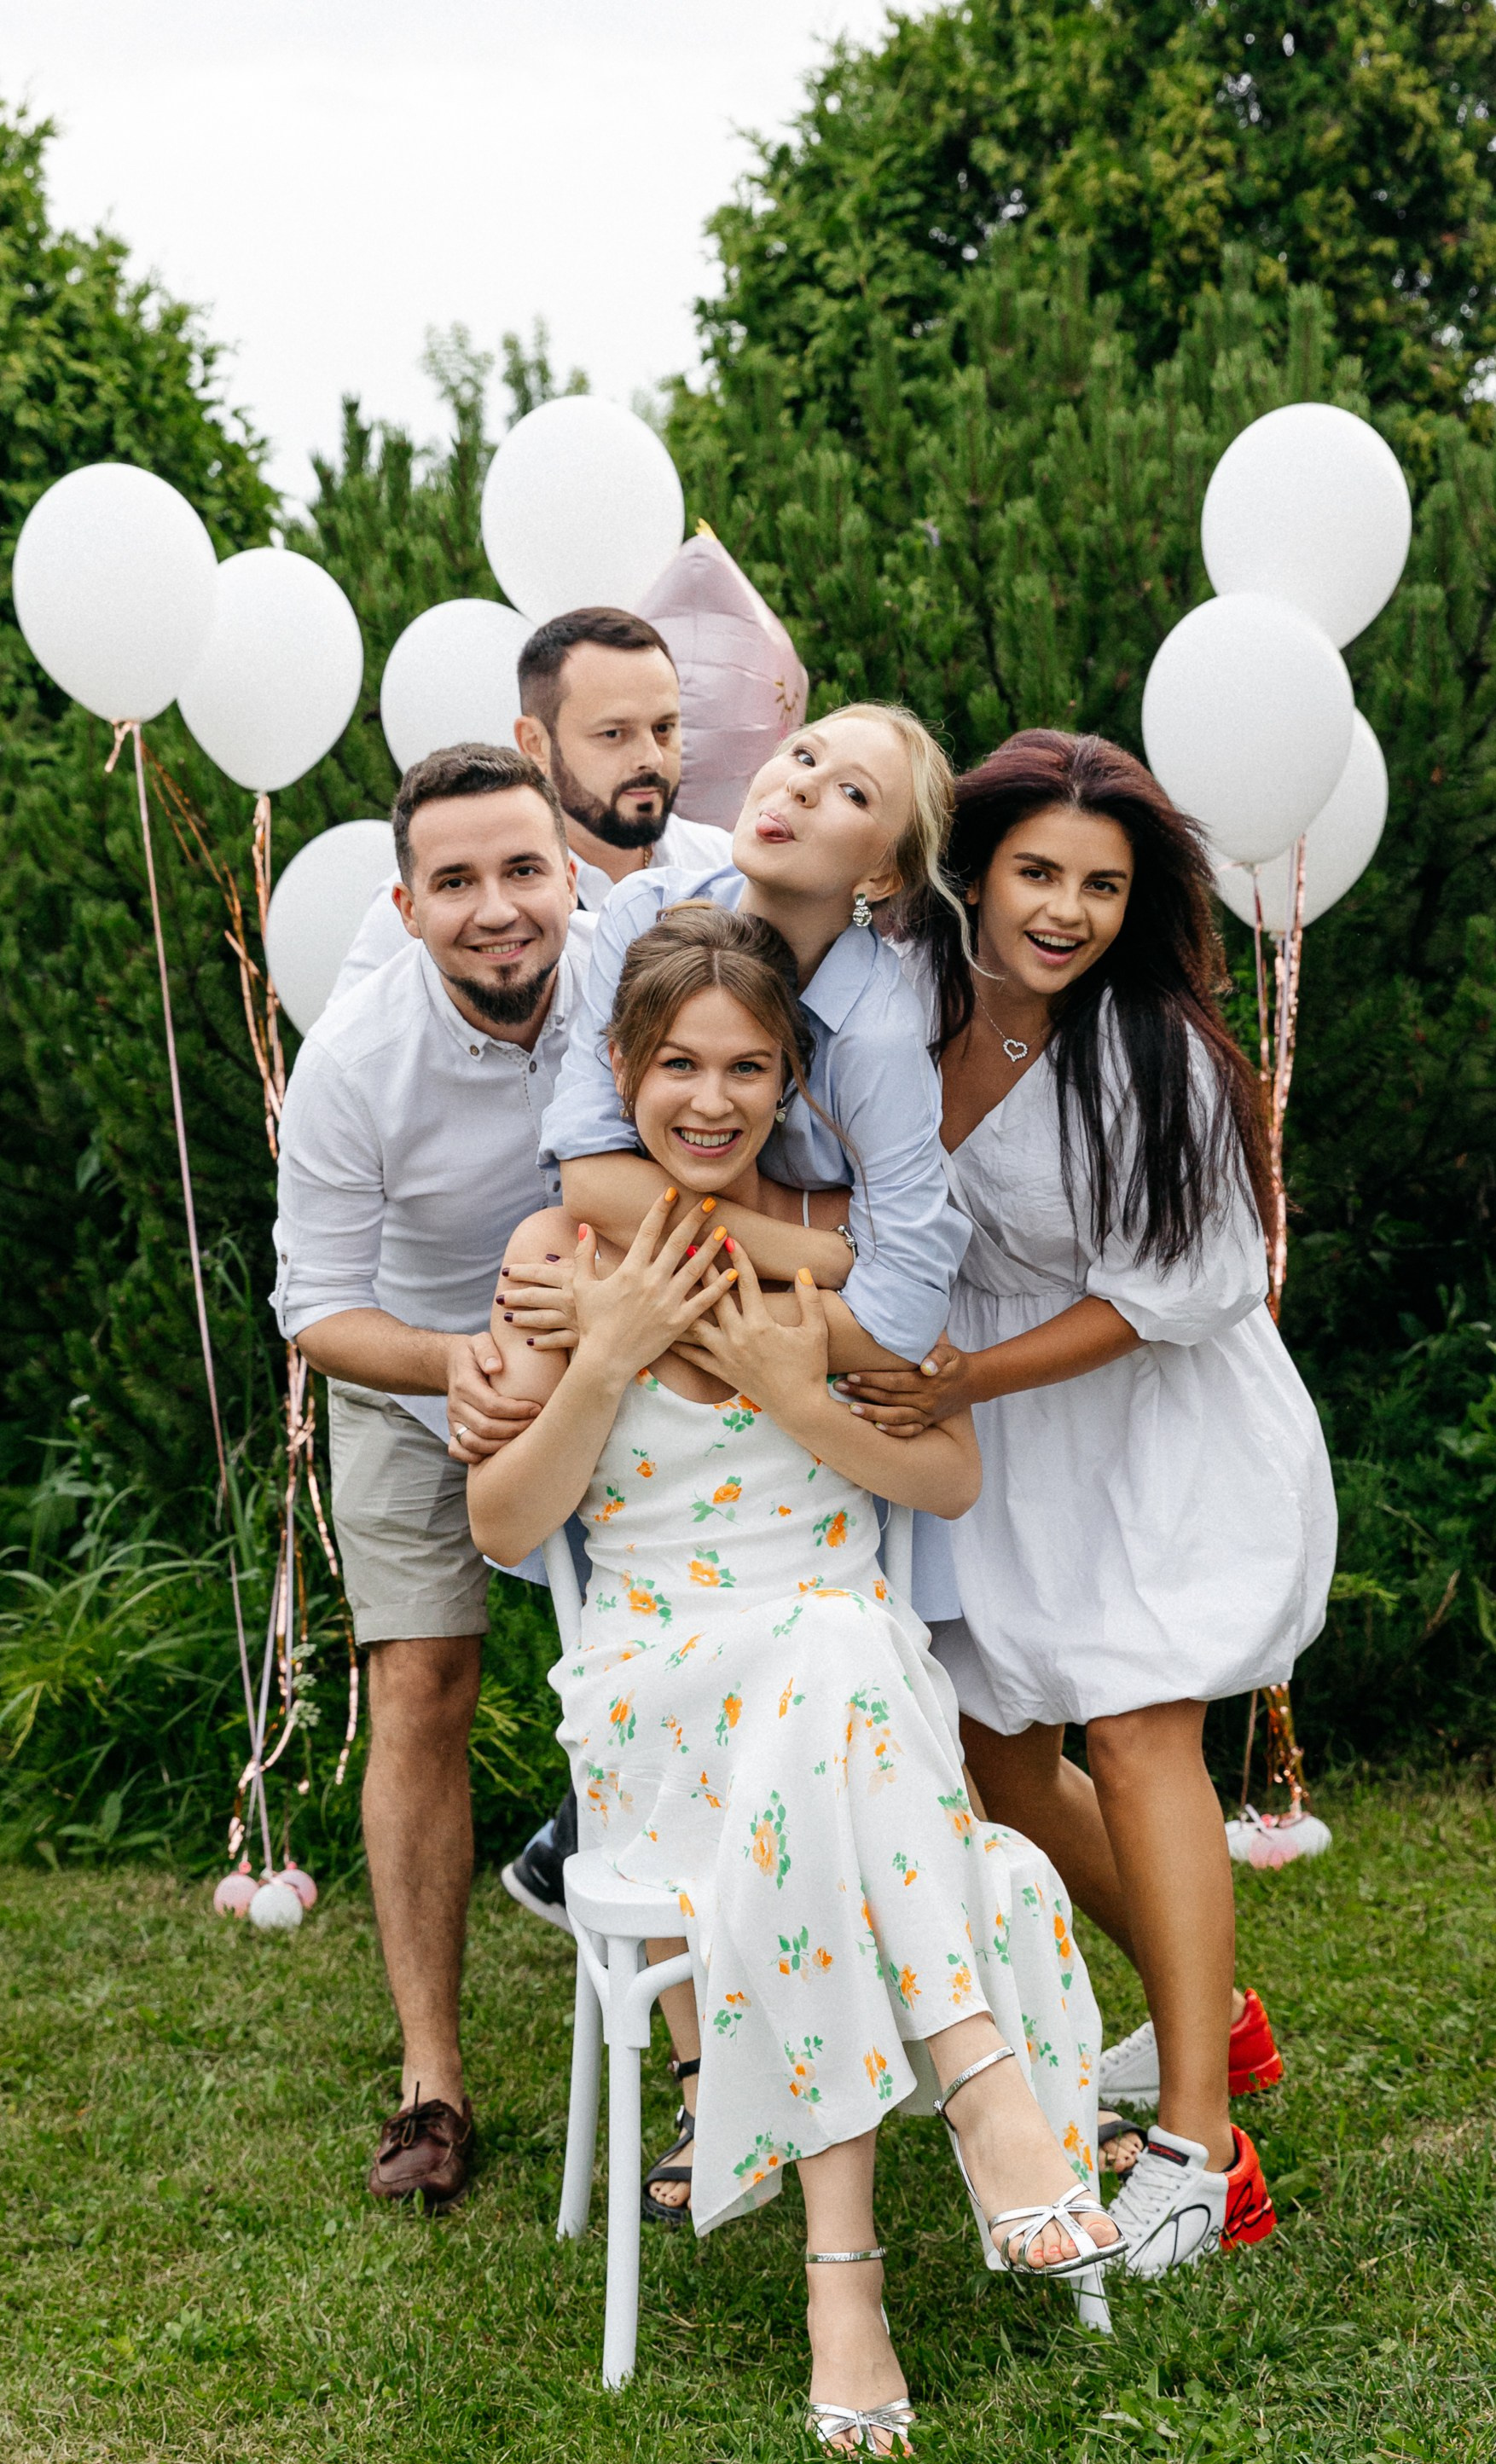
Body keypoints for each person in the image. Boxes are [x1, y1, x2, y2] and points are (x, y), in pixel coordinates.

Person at [467, 903, 1111, 2456]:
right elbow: (502, 1521)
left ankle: (849, 2286)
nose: (710, 1099)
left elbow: (945, 1477)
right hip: (655, 1691)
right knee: (838, 1656)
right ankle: (985, 2092)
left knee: (834, 1649)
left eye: (747, 1067)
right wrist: (610, 1356)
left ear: (790, 1084)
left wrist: (789, 1393)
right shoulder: (562, 1258)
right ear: (621, 1071)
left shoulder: (851, 1255)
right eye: (677, 1064)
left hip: (844, 1691)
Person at [839, 728, 1336, 2276]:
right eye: (1038, 873)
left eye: (1104, 886)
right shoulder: (894, 1000)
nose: (1066, 911)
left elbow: (1179, 1289)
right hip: (1000, 1449)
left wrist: (959, 1386)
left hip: (1157, 1433)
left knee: (1132, 1732)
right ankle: (1217, 2013)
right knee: (995, 1753)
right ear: (972, 869)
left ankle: (1200, 2148)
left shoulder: (1150, 1050)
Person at [496, 704, 970, 2038]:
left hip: (775, 1390)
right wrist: (807, 1250)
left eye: (850, 793)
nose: (802, 786)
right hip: (688, 1326)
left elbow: (903, 1299)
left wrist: (716, 1313)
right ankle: (771, 2067)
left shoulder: (873, 1028)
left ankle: (788, 2074)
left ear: (880, 872)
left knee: (832, 1636)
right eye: (803, 755)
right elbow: (587, 1172)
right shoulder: (653, 914)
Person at [272, 742, 594, 2213]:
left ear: (570, 877)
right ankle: (431, 2082)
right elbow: (315, 1310)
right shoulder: (351, 1061)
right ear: (404, 908)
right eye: (455, 881)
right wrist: (453, 1362)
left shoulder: (635, 984)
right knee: (424, 1692)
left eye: (521, 870)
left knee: (648, 1666)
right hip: (412, 1375)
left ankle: (702, 2055)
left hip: (612, 1369)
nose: (495, 908)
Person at [331, 608, 730, 1003]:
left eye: (664, 729)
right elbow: (345, 1052)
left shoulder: (727, 868)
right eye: (613, 733)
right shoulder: (436, 902)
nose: (652, 758)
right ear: (535, 743)